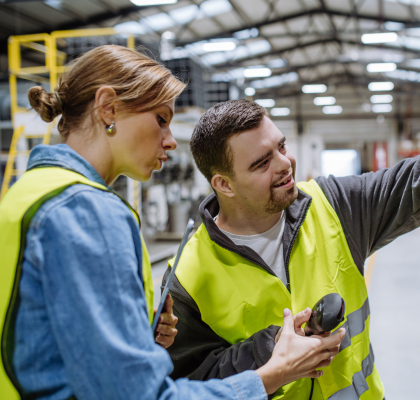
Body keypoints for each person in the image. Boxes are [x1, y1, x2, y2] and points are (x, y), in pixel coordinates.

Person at [0, 45, 344, 400]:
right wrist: (273, 374)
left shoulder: (27, 192)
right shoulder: (88, 211)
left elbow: (41, 340)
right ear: (107, 108)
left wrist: (133, 337)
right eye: (161, 120)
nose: (169, 141)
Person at [163, 99, 420, 399]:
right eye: (262, 163)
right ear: (224, 184)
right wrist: (270, 351)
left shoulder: (331, 206)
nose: (284, 164)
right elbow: (189, 382)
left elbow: (402, 183)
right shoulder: (186, 276)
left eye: (281, 147)